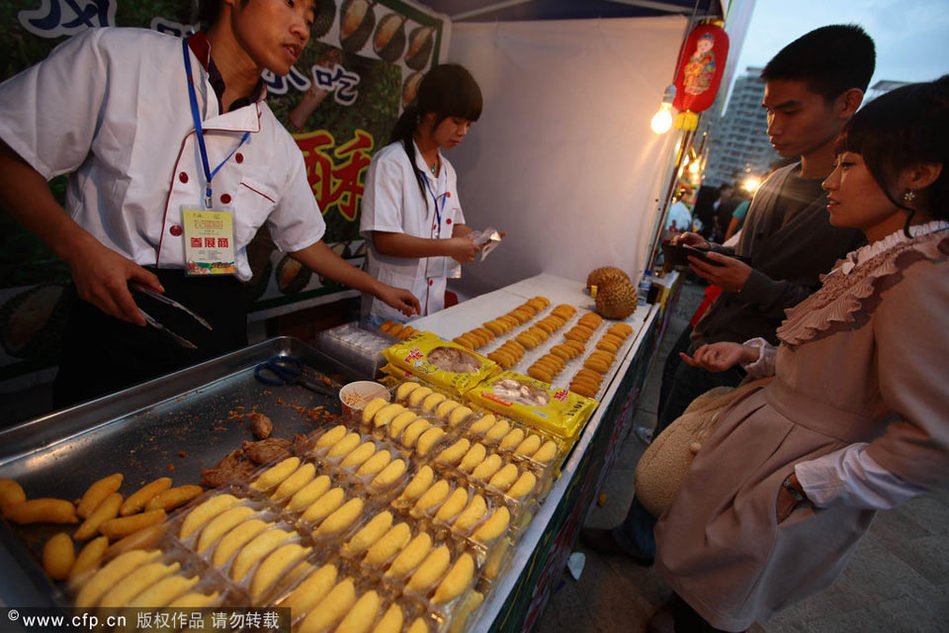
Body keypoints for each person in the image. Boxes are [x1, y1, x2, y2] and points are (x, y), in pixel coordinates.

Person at [0, 0, 420, 408]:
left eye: (310, 18)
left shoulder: (277, 144)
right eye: (291, 4)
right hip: (118, 310)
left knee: (213, 458)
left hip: (219, 321)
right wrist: (79, 250)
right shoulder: (120, 60)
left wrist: (377, 287)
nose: (302, 28)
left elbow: (304, 242)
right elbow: (11, 155)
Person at [655, 75, 949, 632]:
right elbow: (833, 364)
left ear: (918, 175)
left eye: (851, 165)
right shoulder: (883, 256)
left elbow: (931, 445)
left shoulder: (924, 275)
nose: (831, 182)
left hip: (792, 468)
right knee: (708, 575)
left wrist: (808, 483)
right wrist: (753, 357)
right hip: (769, 447)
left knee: (731, 580)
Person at [580, 24, 873, 565]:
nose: (772, 125)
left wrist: (752, 283)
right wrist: (711, 252)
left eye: (789, 110)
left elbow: (845, 308)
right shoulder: (780, 178)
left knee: (714, 481)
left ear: (847, 104)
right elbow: (754, 259)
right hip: (707, 337)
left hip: (759, 369)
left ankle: (686, 575)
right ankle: (639, 536)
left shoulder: (860, 202)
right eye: (768, 110)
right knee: (667, 451)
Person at [359, 64, 484, 324]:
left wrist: (474, 238)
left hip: (432, 306)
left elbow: (452, 225)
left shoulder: (447, 170)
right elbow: (385, 240)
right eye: (457, 122)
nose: (463, 132)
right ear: (430, 113)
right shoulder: (391, 162)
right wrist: (450, 247)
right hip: (391, 310)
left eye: (469, 125)